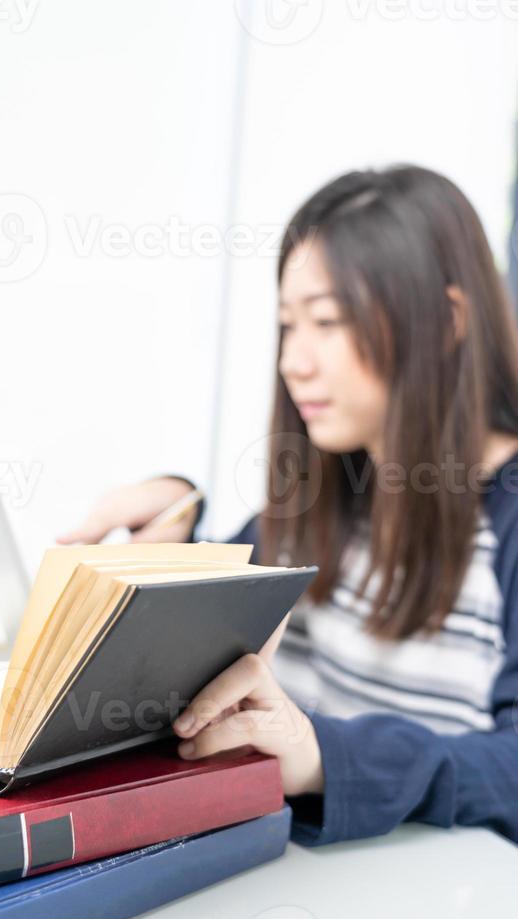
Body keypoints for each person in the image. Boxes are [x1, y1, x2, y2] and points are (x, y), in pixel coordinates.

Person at [58, 165, 518, 847]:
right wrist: (180, 521)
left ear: (448, 320)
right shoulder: (328, 487)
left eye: (328, 322)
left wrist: (328, 757)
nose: (293, 363)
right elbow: (231, 593)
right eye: (286, 325)